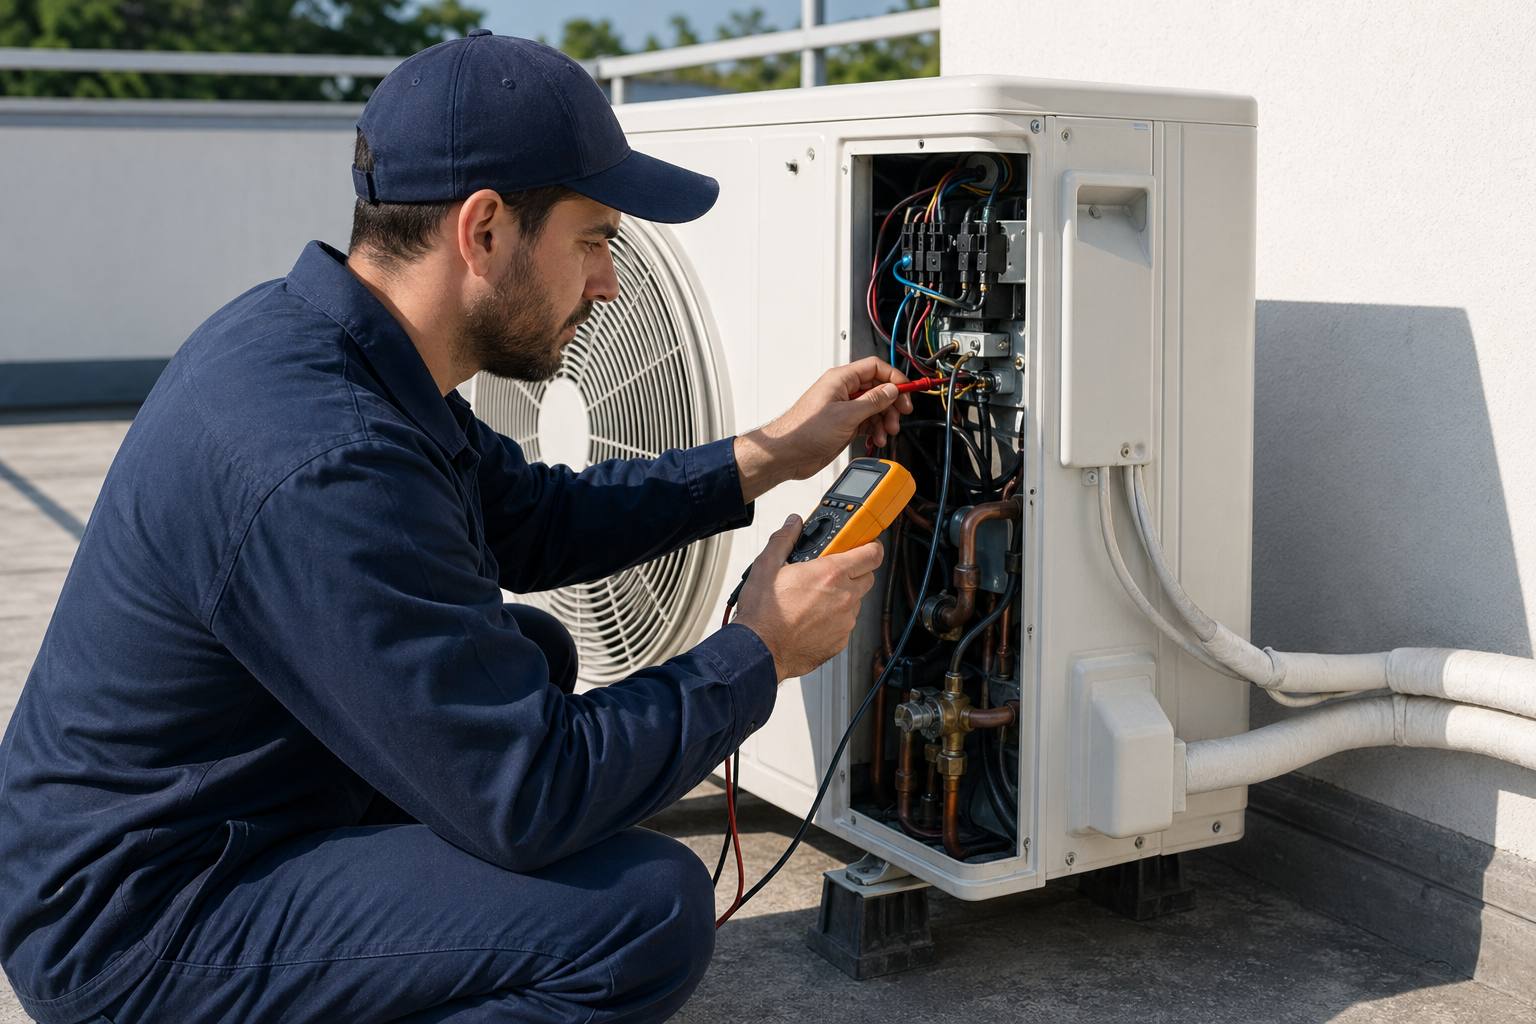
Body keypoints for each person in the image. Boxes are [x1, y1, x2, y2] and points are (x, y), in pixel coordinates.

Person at [0, 32, 913, 1024]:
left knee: (534, 650)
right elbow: (530, 793)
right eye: (595, 239)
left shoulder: (341, 347)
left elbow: (536, 519)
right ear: (483, 232)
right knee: (645, 912)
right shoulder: (325, 456)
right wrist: (758, 653)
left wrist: (771, 453)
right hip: (140, 921)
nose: (608, 283)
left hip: (205, 818)